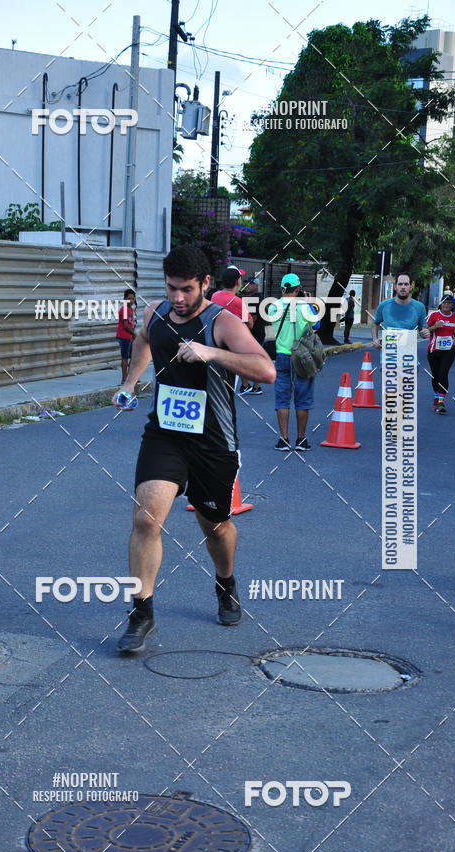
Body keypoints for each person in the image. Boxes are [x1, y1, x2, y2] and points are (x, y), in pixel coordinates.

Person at [112, 245, 276, 653]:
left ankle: (226, 583)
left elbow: (266, 369)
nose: (178, 297)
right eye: (171, 288)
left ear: (205, 283)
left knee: (215, 525)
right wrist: (130, 383)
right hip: (165, 434)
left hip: (213, 441)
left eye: (186, 289)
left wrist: (211, 353)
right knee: (146, 519)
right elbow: (143, 341)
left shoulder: (222, 322)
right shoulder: (155, 313)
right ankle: (141, 614)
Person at [269, 273, 318, 451]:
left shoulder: (273, 307)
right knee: (302, 397)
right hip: (301, 356)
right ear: (297, 289)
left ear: (282, 288)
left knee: (282, 398)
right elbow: (317, 325)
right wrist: (309, 303)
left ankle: (283, 439)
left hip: (282, 355)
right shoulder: (304, 307)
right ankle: (301, 440)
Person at [210, 265, 254, 396]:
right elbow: (250, 323)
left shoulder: (214, 296)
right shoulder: (238, 301)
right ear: (238, 282)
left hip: (215, 340)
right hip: (232, 344)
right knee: (229, 385)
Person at [371, 272, 430, 349]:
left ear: (411, 287)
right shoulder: (384, 305)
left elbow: (423, 329)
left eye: (406, 284)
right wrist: (375, 339)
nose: (403, 287)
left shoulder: (419, 307)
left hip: (409, 354)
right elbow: (375, 323)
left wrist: (425, 332)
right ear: (395, 286)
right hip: (388, 354)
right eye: (400, 284)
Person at [426, 296, 455, 413]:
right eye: (444, 302)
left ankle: (441, 402)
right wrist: (435, 327)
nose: (446, 305)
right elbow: (424, 331)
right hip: (434, 351)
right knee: (435, 376)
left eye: (449, 303)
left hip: (449, 351)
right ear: (441, 304)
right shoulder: (434, 315)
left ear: (452, 305)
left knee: (443, 374)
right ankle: (436, 396)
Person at [239, 277, 265, 394]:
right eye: (246, 284)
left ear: (256, 286)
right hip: (258, 333)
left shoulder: (254, 299)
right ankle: (255, 386)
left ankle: (246, 385)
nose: (247, 286)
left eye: (250, 284)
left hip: (252, 334)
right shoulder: (259, 297)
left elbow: (251, 319)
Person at [116, 289, 136, 382]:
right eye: (129, 298)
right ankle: (124, 379)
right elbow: (126, 325)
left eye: (133, 299)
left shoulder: (130, 309)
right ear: (124, 299)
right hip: (124, 336)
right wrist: (134, 334)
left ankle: (130, 377)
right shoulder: (124, 309)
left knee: (132, 356)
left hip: (129, 336)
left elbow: (130, 323)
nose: (131, 301)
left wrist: (132, 334)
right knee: (125, 358)